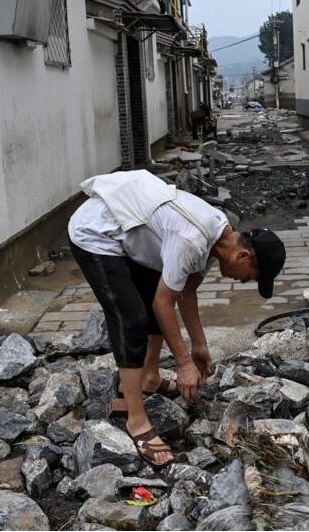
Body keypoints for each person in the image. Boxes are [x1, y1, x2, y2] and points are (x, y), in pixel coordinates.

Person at [67, 170, 286, 466]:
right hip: (96, 232)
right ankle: (136, 419)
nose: (244, 283)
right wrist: (183, 363)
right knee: (132, 319)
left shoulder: (218, 235)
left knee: (159, 296)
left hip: (133, 232)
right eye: (250, 279)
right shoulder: (192, 238)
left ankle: (150, 377)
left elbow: (187, 291)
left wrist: (198, 345)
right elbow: (164, 304)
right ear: (243, 257)